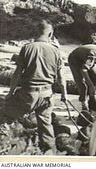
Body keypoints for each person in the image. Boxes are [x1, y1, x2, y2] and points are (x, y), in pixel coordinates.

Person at [2, 20, 67, 154]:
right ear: (51, 34)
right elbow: (61, 77)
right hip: (47, 95)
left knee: (6, 117)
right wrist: (64, 94)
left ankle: (5, 145)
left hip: (28, 94)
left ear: (36, 32)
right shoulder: (56, 51)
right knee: (46, 125)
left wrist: (11, 93)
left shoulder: (27, 47)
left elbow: (17, 74)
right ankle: (49, 152)